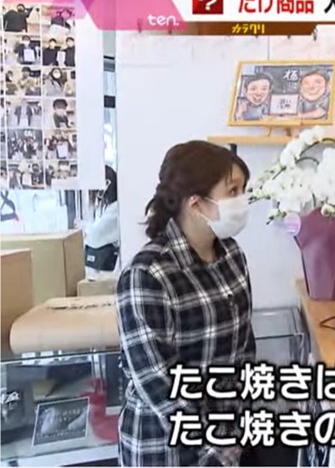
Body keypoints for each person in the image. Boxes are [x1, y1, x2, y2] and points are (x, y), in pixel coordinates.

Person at [116, 140, 255, 466]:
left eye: (244, 190)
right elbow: (158, 383)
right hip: (166, 447)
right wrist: (215, 453)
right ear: (196, 203)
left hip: (227, 436)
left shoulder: (232, 255)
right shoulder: (147, 274)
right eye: (233, 191)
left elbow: (244, 347)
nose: (243, 200)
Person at [83, 165, 120, 273]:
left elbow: (95, 234)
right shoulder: (102, 206)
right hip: (99, 266)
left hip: (107, 266)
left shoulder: (115, 209)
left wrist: (85, 230)